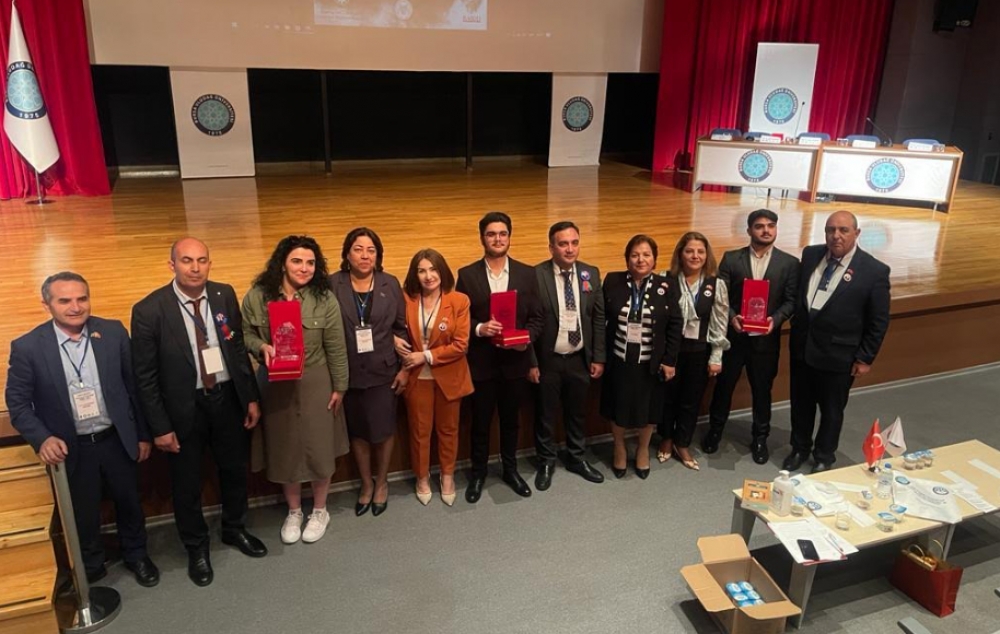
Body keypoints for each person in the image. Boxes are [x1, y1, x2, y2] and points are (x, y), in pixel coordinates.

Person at [6, 272, 159, 587]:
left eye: (82, 298)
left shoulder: (113, 332)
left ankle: (137, 555)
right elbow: (18, 405)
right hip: (72, 447)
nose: (75, 307)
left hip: (115, 439)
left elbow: (134, 388)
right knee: (83, 512)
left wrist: (143, 434)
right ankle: (91, 564)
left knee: (129, 502)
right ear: (46, 304)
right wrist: (42, 438)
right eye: (65, 300)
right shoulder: (28, 347)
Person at [131, 238, 266, 587]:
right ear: (172, 264)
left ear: (210, 263)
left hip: (226, 399)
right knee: (187, 482)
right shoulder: (149, 310)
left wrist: (249, 398)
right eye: (187, 260)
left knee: (234, 470)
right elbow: (145, 377)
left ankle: (234, 528)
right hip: (183, 408)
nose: (195, 268)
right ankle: (196, 547)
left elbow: (236, 347)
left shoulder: (224, 295)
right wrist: (159, 427)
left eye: (202, 260)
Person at [241, 236, 350, 544]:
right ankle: (294, 511)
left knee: (319, 446)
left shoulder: (324, 299)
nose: (304, 268)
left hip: (316, 380)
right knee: (285, 446)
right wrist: (260, 346)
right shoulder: (257, 296)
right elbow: (244, 334)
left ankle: (319, 510)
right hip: (275, 383)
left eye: (311, 263)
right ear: (282, 263)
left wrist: (340, 386)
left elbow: (336, 347)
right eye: (297, 261)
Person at [784, 211, 891, 473]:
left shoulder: (874, 270)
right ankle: (799, 448)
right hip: (803, 348)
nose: (836, 236)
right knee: (800, 405)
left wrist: (865, 357)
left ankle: (824, 456)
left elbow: (878, 320)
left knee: (832, 411)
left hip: (839, 355)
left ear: (857, 233)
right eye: (831, 230)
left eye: (843, 230)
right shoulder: (811, 255)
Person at [456, 211, 544, 503]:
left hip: (515, 363)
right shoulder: (467, 275)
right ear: (482, 238)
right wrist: (479, 328)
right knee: (480, 423)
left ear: (509, 237)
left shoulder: (527, 274)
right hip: (482, 364)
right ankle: (478, 474)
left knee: (510, 422)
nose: (497, 239)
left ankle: (510, 470)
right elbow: (459, 320)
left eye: (502, 233)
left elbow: (537, 318)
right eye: (491, 234)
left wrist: (525, 340)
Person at [704, 210, 799, 464]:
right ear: (749, 230)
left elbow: (791, 301)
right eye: (759, 226)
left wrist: (775, 320)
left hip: (766, 341)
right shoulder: (731, 259)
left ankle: (760, 438)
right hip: (734, 338)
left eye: (771, 226)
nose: (766, 230)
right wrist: (731, 317)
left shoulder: (790, 263)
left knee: (762, 391)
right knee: (723, 388)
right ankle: (715, 430)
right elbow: (720, 296)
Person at [330, 228, 409, 517]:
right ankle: (366, 483)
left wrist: (404, 369)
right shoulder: (332, 284)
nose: (365, 255)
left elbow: (401, 328)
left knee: (384, 431)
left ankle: (382, 482)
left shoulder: (390, 283)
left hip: (383, 371)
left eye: (371, 250)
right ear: (347, 254)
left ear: (378, 255)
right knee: (359, 433)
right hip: (348, 372)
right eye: (358, 249)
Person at [528, 221, 607, 491]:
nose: (570, 249)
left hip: (579, 359)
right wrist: (531, 362)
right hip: (548, 360)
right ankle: (546, 461)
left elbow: (598, 318)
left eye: (574, 243)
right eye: (563, 244)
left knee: (577, 413)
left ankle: (576, 458)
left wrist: (598, 357)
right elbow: (527, 321)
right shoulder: (535, 275)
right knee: (545, 415)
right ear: (551, 247)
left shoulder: (590, 273)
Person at [600, 235, 683, 479]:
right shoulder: (612, 281)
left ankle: (643, 449)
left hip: (651, 364)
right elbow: (601, 319)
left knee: (649, 410)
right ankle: (619, 447)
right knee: (618, 408)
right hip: (619, 360)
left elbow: (675, 325)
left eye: (646, 255)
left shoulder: (666, 285)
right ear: (627, 258)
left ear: (655, 259)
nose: (640, 260)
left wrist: (669, 360)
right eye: (635, 255)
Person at [397, 248, 473, 506]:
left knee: (448, 430)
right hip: (417, 378)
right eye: (421, 270)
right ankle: (422, 477)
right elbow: (390, 326)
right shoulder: (406, 299)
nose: (428, 276)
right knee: (419, 432)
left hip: (448, 377)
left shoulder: (459, 300)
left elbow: (461, 345)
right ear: (414, 274)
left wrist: (425, 356)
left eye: (433, 269)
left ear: (442, 272)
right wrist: (394, 339)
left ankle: (447, 475)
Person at [657, 232, 730, 471]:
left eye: (700, 251)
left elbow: (719, 322)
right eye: (689, 251)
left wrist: (716, 356)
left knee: (691, 399)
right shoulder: (665, 280)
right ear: (680, 254)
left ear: (707, 255)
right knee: (667, 398)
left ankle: (682, 442)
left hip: (699, 351)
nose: (695, 256)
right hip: (671, 351)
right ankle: (666, 439)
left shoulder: (715, 285)